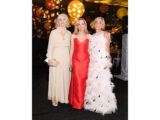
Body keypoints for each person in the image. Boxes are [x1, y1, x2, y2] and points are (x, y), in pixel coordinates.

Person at [84, 17, 117, 115]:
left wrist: (107, 61)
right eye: (96, 22)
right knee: (94, 82)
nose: (98, 24)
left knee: (103, 82)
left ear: (103, 25)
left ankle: (104, 104)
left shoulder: (106, 34)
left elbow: (107, 49)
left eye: (100, 23)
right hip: (93, 61)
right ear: (94, 24)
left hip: (102, 60)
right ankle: (94, 103)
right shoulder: (92, 35)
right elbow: (90, 49)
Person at [46, 13, 71, 106]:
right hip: (56, 57)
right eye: (60, 19)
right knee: (56, 78)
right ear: (58, 21)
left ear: (67, 21)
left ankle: (64, 97)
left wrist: (71, 60)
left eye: (64, 19)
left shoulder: (69, 33)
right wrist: (49, 59)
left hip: (66, 58)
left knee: (66, 77)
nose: (62, 21)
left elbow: (70, 48)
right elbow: (50, 47)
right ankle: (55, 98)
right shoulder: (53, 32)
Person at [69, 18, 90, 109]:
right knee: (77, 80)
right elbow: (71, 49)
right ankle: (77, 103)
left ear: (85, 25)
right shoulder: (73, 35)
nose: (81, 26)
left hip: (86, 61)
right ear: (76, 26)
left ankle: (85, 102)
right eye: (79, 24)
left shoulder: (89, 36)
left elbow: (90, 50)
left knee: (85, 81)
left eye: (82, 24)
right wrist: (70, 62)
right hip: (76, 61)